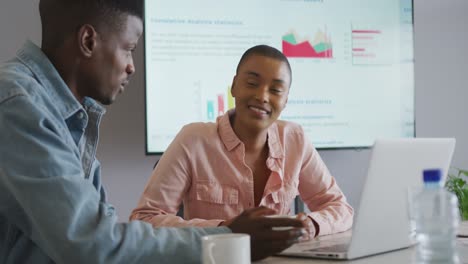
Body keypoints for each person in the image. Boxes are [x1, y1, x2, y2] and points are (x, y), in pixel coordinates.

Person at [0, 1, 306, 263]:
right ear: (89, 41)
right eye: (129, 49)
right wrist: (228, 239)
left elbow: (102, 234)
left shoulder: (68, 114)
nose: (132, 67)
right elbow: (92, 243)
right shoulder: (18, 105)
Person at [130, 45, 354, 238]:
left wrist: (311, 224)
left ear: (285, 100)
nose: (263, 96)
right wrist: (227, 230)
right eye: (252, 83)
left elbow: (340, 208)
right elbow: (144, 220)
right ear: (234, 86)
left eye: (275, 90)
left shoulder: (295, 139)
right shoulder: (193, 140)